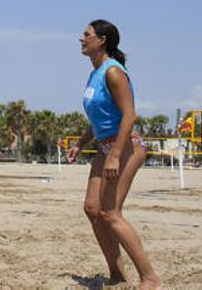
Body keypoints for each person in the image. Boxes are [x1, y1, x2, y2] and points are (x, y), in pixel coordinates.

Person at [67, 20, 160, 289]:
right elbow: (100, 117)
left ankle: (150, 278)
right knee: (92, 209)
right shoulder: (94, 73)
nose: (81, 38)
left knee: (111, 213)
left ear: (102, 40)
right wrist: (82, 143)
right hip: (105, 145)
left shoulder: (113, 72)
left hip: (127, 146)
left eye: (86, 34)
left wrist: (115, 155)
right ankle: (117, 275)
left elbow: (129, 115)